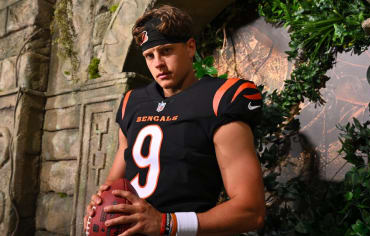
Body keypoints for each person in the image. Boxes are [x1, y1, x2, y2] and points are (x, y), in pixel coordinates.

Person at [84, 4, 265, 236]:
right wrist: (100, 203)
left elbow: (251, 211)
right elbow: (112, 186)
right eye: (149, 55)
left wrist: (166, 223)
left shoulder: (219, 100)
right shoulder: (132, 102)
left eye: (166, 51)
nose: (157, 63)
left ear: (190, 47)